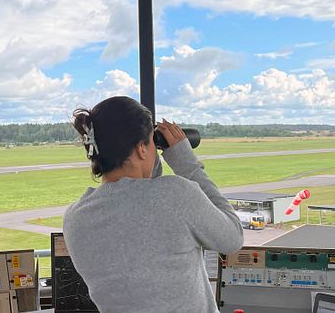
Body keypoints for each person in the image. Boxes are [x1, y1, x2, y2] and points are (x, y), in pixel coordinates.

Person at [63, 96, 243, 313]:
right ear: (141, 148)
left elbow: (140, 197)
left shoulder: (75, 217)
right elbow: (232, 238)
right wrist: (187, 164)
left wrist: (148, 152)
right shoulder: (175, 195)